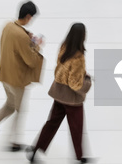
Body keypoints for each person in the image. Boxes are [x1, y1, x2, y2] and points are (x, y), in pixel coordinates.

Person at [0, 1, 44, 155]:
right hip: (17, 79)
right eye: (32, 17)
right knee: (20, 109)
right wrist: (37, 45)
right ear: (28, 16)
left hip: (5, 75)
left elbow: (15, 43)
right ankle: (14, 142)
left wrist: (27, 37)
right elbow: (31, 60)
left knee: (9, 106)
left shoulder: (7, 26)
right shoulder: (21, 36)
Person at [27, 23, 93, 163]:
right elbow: (74, 84)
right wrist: (87, 80)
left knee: (51, 123)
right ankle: (80, 157)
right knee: (77, 127)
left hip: (59, 93)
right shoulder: (78, 57)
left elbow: (63, 71)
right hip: (71, 99)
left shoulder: (64, 46)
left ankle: (35, 150)